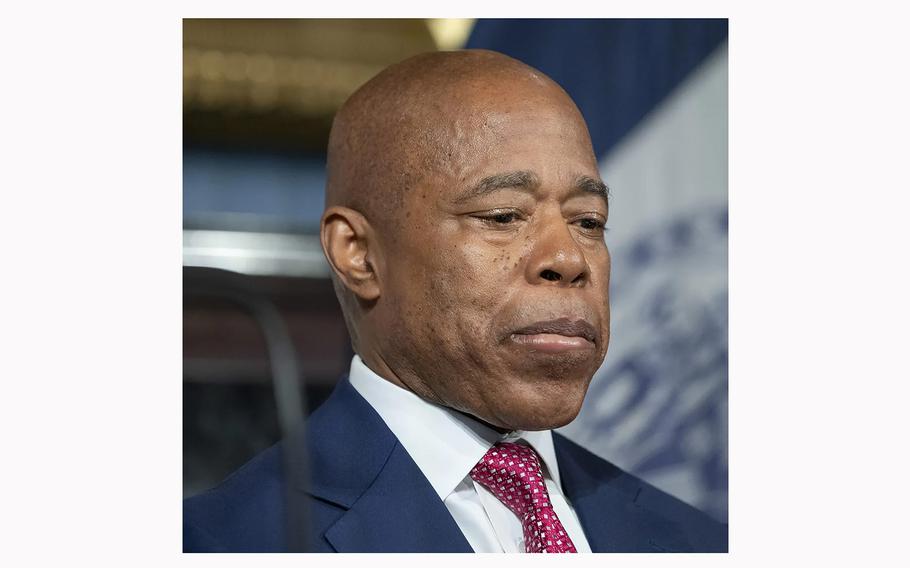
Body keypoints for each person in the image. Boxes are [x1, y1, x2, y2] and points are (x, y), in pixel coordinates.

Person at [183, 49, 727, 553]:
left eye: (589, 221)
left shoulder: (697, 541)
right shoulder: (224, 542)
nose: (569, 258)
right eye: (503, 216)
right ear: (358, 254)